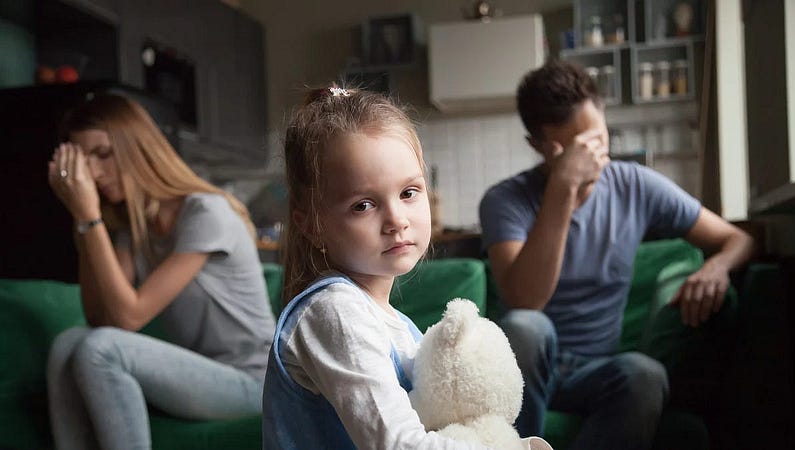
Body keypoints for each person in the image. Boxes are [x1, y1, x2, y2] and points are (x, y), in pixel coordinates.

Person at [479, 60, 756, 450]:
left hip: (593, 371)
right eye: (574, 149)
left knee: (645, 373)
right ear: (538, 146)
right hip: (525, 368)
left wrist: (717, 266)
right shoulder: (504, 200)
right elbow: (527, 300)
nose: (590, 158)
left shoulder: (635, 186)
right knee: (526, 325)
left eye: (596, 140)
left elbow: (738, 240)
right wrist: (563, 189)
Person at [262, 86, 546, 450]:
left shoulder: (397, 326)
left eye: (409, 192)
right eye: (363, 205)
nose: (397, 219)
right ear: (312, 224)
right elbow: (398, 445)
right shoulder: (334, 313)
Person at [46, 94, 276, 450]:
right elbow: (99, 318)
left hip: (256, 382)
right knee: (68, 344)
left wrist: (89, 216)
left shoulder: (205, 213)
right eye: (83, 160)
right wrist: (83, 221)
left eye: (103, 154)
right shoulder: (131, 233)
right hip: (201, 375)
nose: (92, 172)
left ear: (138, 148)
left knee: (102, 348)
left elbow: (128, 316)